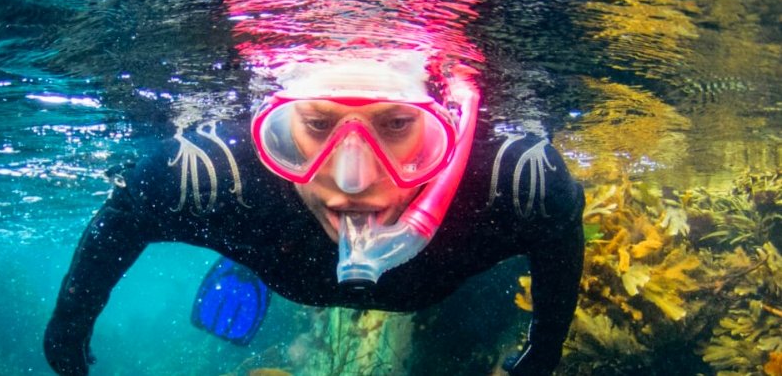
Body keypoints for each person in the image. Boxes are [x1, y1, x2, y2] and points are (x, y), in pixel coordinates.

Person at [44, 56, 585, 376]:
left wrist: (544, 345)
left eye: (396, 125)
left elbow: (559, 234)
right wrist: (70, 323)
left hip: (291, 263)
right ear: (276, 129)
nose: (352, 182)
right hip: (269, 250)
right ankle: (240, 264)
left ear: (442, 126)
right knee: (238, 229)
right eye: (318, 125)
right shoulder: (210, 177)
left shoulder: (515, 182)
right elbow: (124, 216)